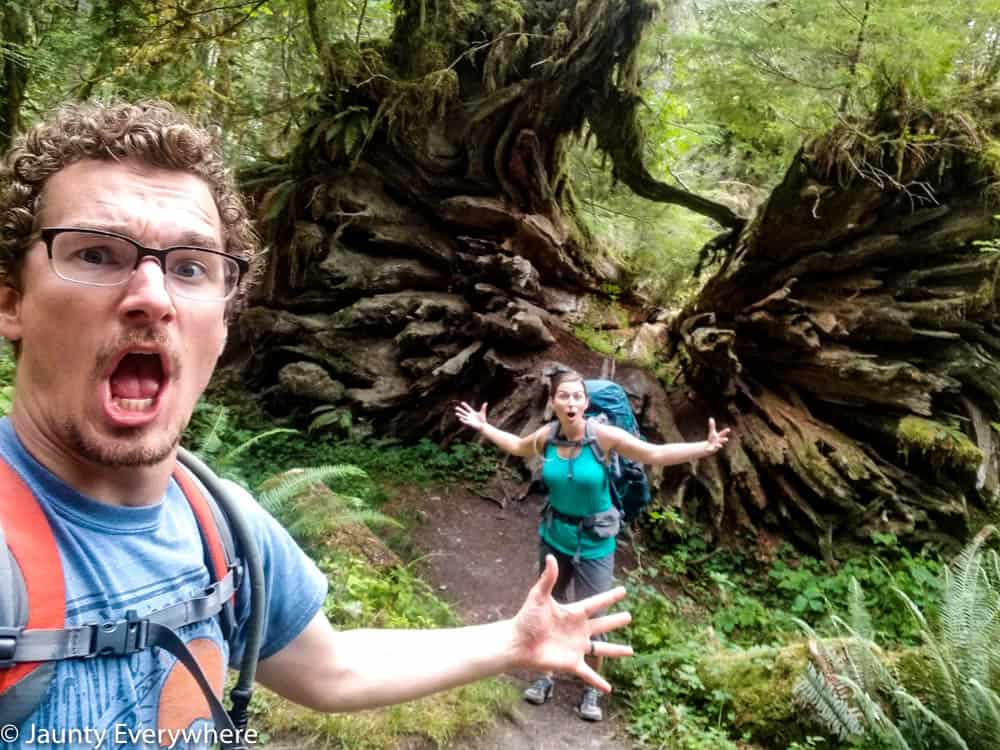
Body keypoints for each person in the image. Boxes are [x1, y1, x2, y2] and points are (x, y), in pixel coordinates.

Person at [0, 101, 633, 748]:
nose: (153, 297)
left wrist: (515, 639)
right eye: (98, 255)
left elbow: (331, 668)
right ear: (11, 302)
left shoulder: (223, 526)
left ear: (223, 324)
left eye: (191, 267)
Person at [456, 369, 730, 722]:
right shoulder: (548, 437)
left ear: (586, 402)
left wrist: (703, 448)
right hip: (556, 535)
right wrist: (484, 426)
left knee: (593, 617)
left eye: (577, 396)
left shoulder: (603, 437)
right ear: (553, 402)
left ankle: (590, 688)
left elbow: (654, 454)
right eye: (564, 396)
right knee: (549, 605)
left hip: (596, 539)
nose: (571, 402)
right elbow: (516, 445)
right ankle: (545, 676)